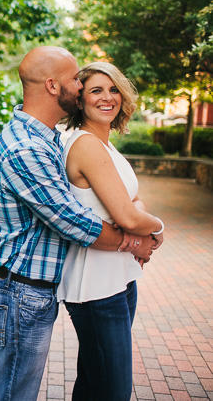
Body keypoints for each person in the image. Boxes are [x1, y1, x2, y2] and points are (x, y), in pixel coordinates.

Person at [0, 46, 157, 401]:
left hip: (30, 290)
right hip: (20, 292)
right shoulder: (26, 148)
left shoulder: (48, 139)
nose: (80, 85)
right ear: (52, 85)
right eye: (76, 79)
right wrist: (141, 240)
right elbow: (76, 223)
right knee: (12, 394)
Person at [57, 61, 164, 400]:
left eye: (113, 89)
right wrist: (157, 228)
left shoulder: (104, 144)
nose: (107, 97)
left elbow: (133, 203)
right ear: (80, 100)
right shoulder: (85, 144)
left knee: (93, 384)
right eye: (96, 91)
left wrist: (134, 217)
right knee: (113, 391)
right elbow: (129, 216)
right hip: (96, 289)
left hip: (119, 279)